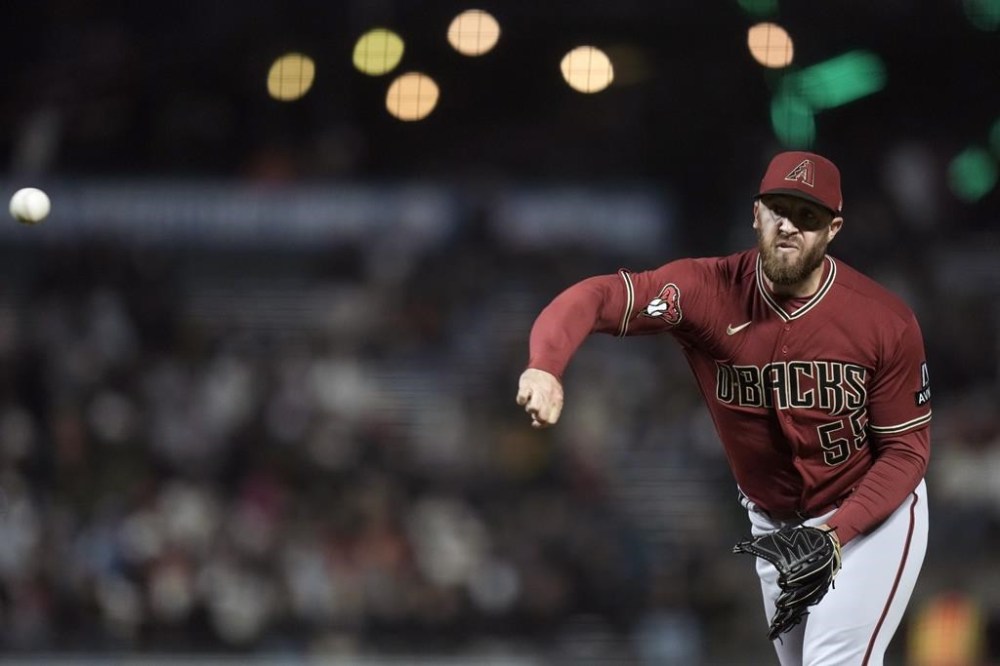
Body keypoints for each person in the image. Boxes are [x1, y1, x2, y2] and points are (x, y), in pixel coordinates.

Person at [515, 151, 931, 665]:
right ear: (755, 213)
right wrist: (545, 364)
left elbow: (907, 453)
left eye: (808, 216)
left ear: (832, 229)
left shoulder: (883, 321)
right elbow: (598, 296)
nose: (788, 226)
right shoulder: (705, 291)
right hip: (776, 524)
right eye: (779, 208)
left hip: (870, 518)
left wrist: (838, 531)